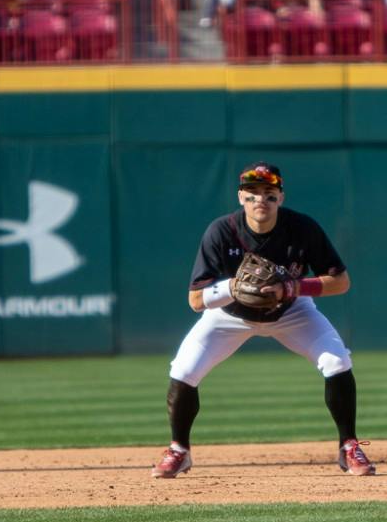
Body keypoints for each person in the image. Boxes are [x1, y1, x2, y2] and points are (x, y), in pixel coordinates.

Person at [153, 161, 372, 480]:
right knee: (184, 370)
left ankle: (348, 446)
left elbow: (341, 282)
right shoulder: (221, 231)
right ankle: (179, 450)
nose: (261, 201)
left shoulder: (303, 228)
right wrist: (232, 287)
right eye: (253, 193)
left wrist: (294, 287)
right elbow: (196, 300)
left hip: (292, 311)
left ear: (280, 198)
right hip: (229, 315)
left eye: (269, 194)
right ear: (241, 197)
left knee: (337, 361)